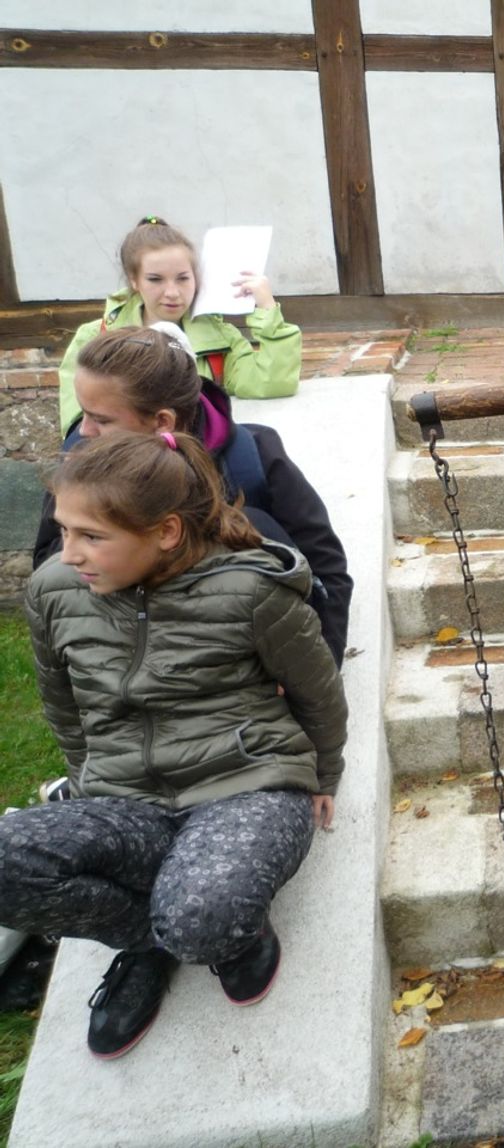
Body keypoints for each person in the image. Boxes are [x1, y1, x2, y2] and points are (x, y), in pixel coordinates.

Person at [1, 432, 348, 1059]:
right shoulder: (55, 590)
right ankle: (144, 940)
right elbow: (62, 704)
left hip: (243, 785)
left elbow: (317, 691)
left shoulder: (251, 591)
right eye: (65, 530)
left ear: (165, 532)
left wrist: (323, 773)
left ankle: (220, 933)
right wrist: (87, 784)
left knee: (204, 921)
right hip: (125, 797)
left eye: (91, 536)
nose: (68, 552)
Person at [33, 325, 351, 666]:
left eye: (101, 420)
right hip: (124, 665)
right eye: (83, 412)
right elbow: (51, 566)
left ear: (163, 421)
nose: (84, 431)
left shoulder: (251, 459)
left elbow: (325, 569)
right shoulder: (81, 461)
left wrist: (318, 668)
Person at [55, 216, 301, 434]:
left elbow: (272, 382)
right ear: (134, 280)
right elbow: (78, 426)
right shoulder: (96, 338)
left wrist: (267, 309)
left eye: (183, 278)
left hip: (197, 459)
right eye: (155, 279)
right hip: (121, 462)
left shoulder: (219, 339)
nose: (172, 292)